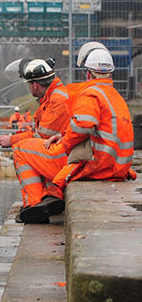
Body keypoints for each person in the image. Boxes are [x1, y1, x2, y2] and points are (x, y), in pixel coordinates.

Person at [13, 42, 136, 224]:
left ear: (87, 73)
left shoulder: (90, 93)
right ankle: (47, 199)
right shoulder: (115, 96)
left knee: (20, 150)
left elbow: (83, 126)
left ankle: (33, 205)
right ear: (111, 72)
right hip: (114, 165)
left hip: (94, 165)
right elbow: (98, 128)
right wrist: (64, 134)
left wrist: (65, 144)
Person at [0, 58, 69, 148]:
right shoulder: (51, 97)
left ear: (35, 85)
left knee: (21, 153)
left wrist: (12, 140)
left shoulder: (56, 100)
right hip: (62, 148)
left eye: (29, 84)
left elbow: (42, 136)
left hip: (62, 154)